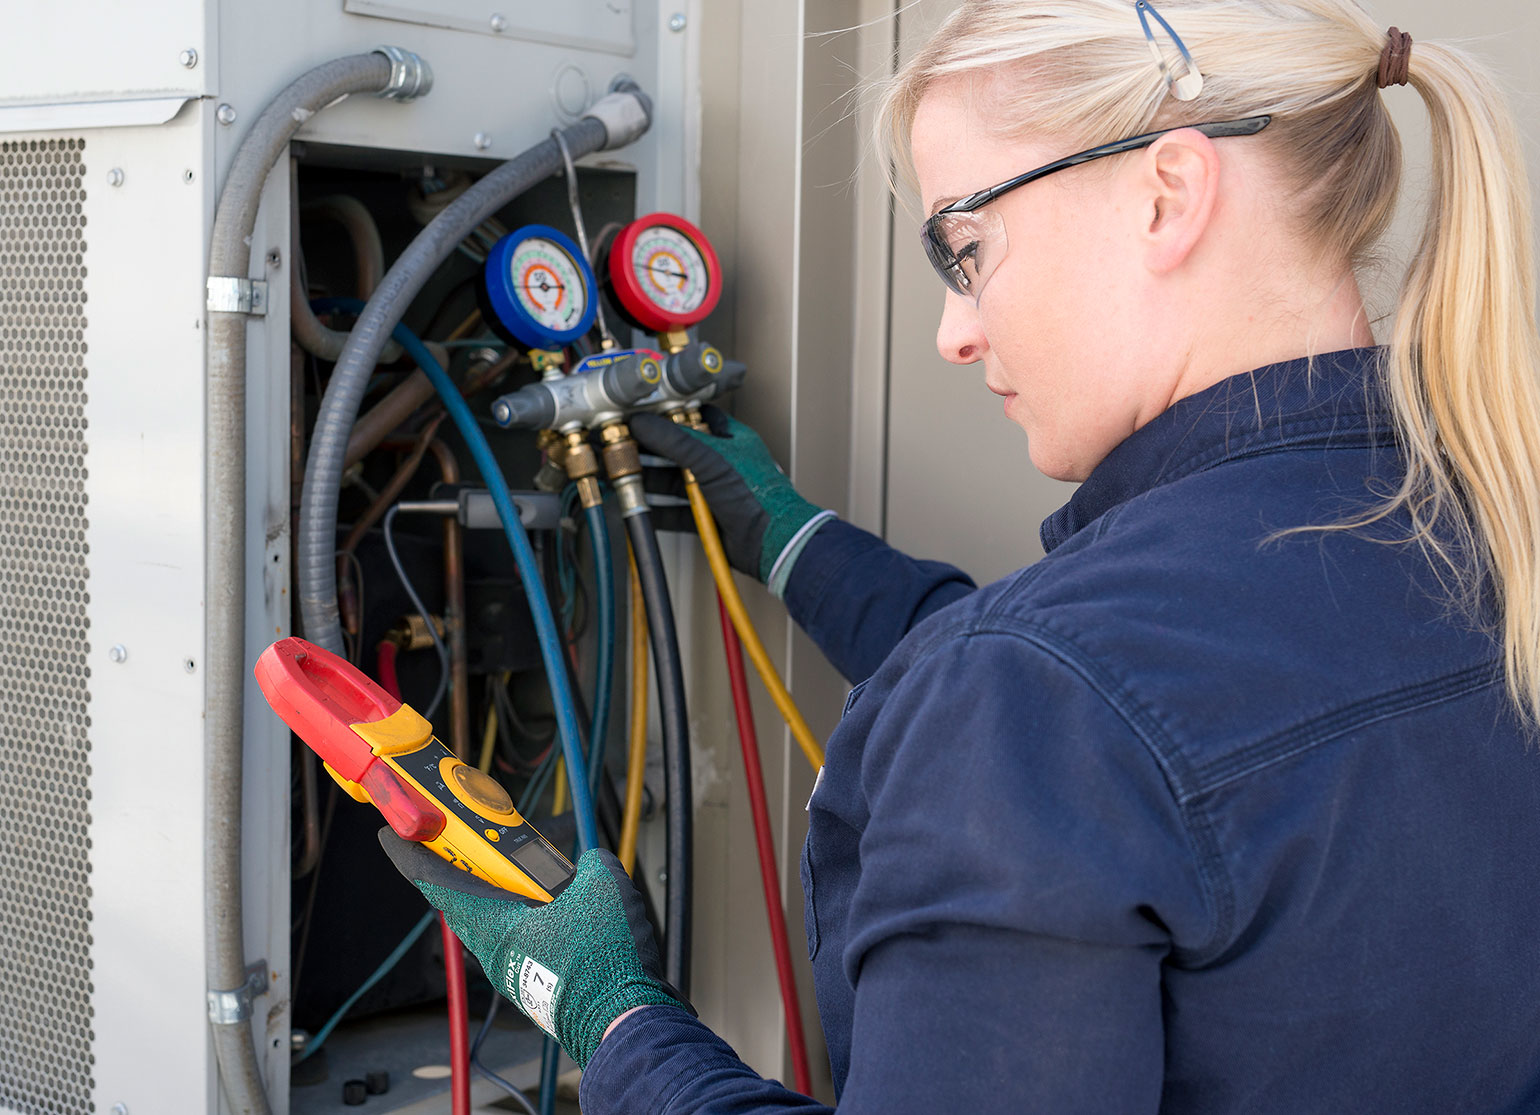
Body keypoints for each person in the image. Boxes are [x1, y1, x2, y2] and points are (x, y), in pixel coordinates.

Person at [382, 0, 1540, 1109]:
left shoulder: (1041, 691)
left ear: (1167, 195)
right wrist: (792, 538)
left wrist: (614, 1019)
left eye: (965, 246)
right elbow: (1150, 708)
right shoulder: (1485, 532)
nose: (955, 330)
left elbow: (1078, 710)